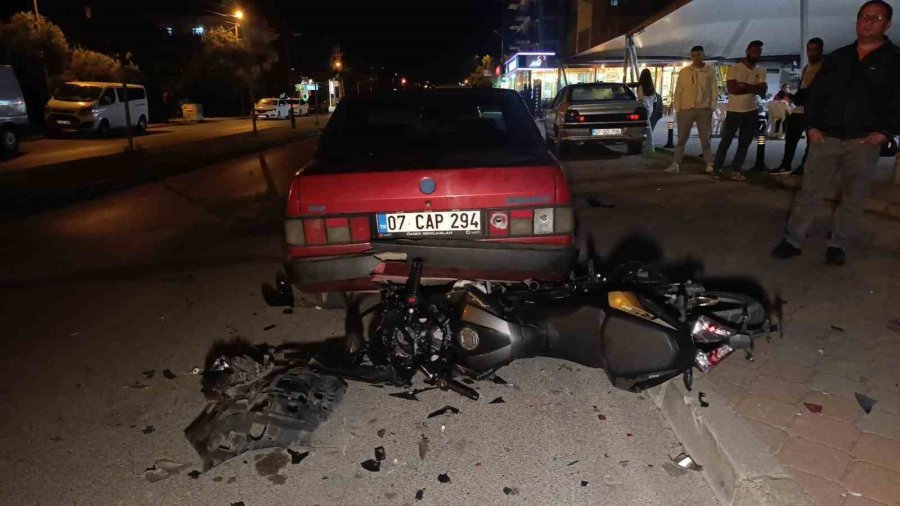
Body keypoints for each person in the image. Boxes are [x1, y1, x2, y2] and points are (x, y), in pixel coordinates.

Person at [772, 0, 899, 266]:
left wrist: (886, 133)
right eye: (864, 16)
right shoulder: (838, 57)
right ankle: (793, 240)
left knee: (853, 197)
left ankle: (838, 244)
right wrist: (811, 127)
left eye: (876, 18)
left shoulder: (894, 60)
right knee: (810, 192)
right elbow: (816, 95)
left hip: (864, 141)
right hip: (825, 138)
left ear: (888, 24)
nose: (868, 22)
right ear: (857, 21)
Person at [712, 40, 769, 181]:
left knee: (744, 143)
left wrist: (744, 85)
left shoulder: (760, 70)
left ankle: (736, 169)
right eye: (754, 52)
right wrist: (754, 88)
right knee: (726, 141)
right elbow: (733, 89)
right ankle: (716, 168)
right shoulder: (735, 68)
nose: (756, 55)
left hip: (751, 111)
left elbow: (762, 91)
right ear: (747, 51)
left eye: (759, 52)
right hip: (734, 111)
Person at [770, 38, 825, 175]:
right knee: (791, 137)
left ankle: (805, 166)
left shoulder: (825, 67)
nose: (811, 53)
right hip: (800, 108)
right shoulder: (806, 68)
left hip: (814, 109)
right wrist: (794, 96)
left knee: (811, 141)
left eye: (814, 50)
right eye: (809, 50)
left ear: (820, 51)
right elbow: (803, 87)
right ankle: (786, 164)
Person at [665, 45, 718, 173]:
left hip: (704, 108)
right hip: (685, 109)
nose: (696, 58)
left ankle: (709, 162)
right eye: (694, 55)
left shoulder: (710, 70)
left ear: (703, 55)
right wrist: (678, 108)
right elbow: (679, 90)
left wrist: (712, 106)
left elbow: (714, 89)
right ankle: (676, 162)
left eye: (699, 55)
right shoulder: (684, 72)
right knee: (682, 138)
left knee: (705, 138)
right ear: (691, 57)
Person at [637, 69, 657, 153]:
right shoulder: (651, 86)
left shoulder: (641, 86)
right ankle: (648, 147)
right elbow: (655, 99)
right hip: (650, 109)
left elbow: (640, 98)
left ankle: (650, 147)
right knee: (647, 127)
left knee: (647, 128)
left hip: (644, 108)